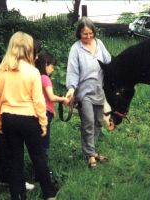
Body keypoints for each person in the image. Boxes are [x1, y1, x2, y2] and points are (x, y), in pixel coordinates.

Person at [0, 31, 58, 200]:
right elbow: (38, 101)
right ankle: (49, 194)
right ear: (30, 49)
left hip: (8, 119)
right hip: (29, 119)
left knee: (15, 159)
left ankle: (18, 195)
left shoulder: (1, 70)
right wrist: (43, 123)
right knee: (37, 156)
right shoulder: (33, 72)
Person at [65, 17, 111, 168]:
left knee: (98, 122)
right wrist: (71, 89)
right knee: (88, 123)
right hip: (84, 93)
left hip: (100, 90)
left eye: (90, 33)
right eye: (84, 34)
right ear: (79, 33)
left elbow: (108, 62)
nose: (88, 37)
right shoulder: (76, 48)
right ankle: (90, 154)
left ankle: (91, 150)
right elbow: (72, 71)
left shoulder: (100, 44)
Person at [35, 51, 68, 163]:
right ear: (45, 64)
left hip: (36, 112)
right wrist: (63, 99)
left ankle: (37, 168)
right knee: (44, 143)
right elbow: (51, 97)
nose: (53, 69)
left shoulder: (36, 77)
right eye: (52, 66)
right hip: (45, 113)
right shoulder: (45, 78)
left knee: (38, 141)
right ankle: (43, 170)